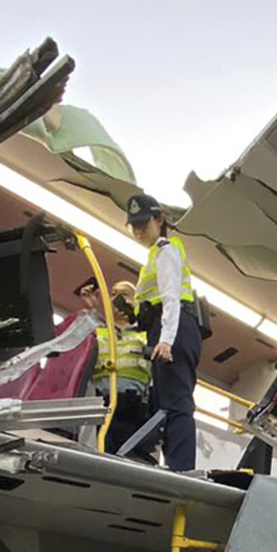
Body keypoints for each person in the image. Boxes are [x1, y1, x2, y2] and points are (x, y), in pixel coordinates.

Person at [126, 192, 201, 472]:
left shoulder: (166, 250)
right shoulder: (154, 256)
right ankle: (174, 464)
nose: (138, 230)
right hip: (166, 327)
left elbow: (171, 298)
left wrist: (167, 340)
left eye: (143, 223)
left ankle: (181, 468)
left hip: (175, 328)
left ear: (159, 220)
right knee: (166, 401)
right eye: (134, 225)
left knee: (176, 401)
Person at [77, 278, 151, 455]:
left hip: (134, 405)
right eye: (113, 294)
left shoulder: (147, 334)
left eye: (124, 295)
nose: (117, 298)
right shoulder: (98, 330)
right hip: (101, 401)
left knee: (130, 454)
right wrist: (92, 308)